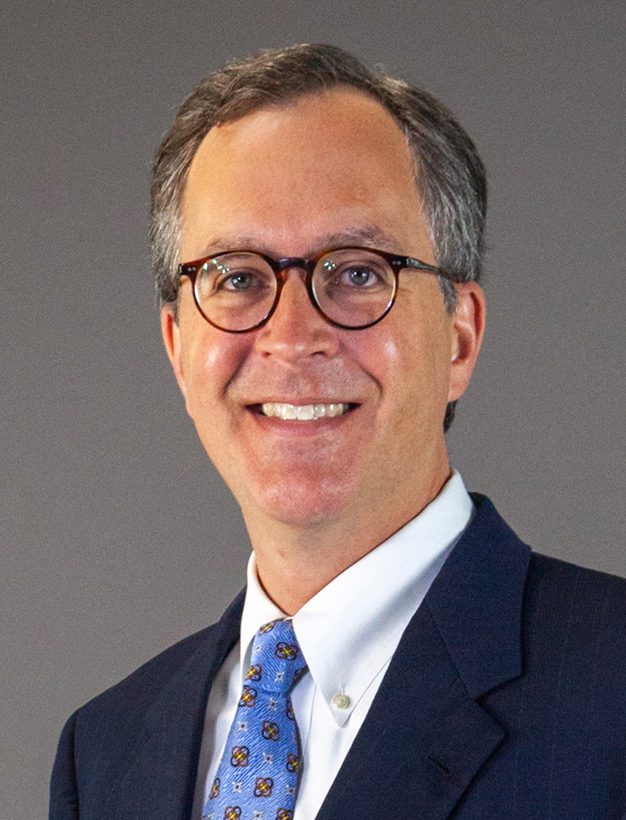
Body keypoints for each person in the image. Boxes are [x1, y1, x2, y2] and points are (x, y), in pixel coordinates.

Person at [50, 44, 626, 819]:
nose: (292, 337)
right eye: (238, 277)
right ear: (180, 348)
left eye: (358, 271)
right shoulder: (106, 754)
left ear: (459, 337)